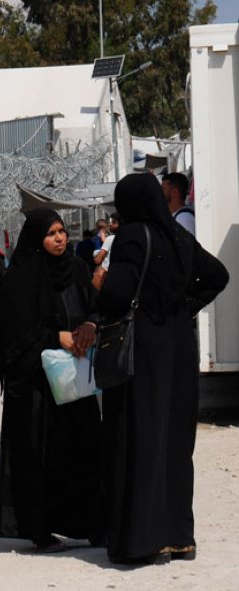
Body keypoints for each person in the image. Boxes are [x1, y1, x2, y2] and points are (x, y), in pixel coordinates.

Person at [98, 174, 228, 564]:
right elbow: (218, 275)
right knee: (174, 440)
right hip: (179, 347)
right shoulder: (177, 234)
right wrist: (182, 308)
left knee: (141, 436)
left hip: (145, 350)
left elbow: (118, 295)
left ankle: (145, 539)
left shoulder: (132, 236)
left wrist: (99, 283)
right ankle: (179, 537)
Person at [0, 208, 105, 552]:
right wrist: (57, 337)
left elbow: (94, 308)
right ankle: (39, 528)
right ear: (36, 239)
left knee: (83, 449)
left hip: (75, 382)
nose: (59, 238)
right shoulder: (20, 278)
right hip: (37, 388)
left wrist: (90, 327)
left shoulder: (77, 270)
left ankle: (92, 525)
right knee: (40, 453)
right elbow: (15, 335)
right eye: (50, 233)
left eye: (61, 232)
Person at [92, 213, 120, 289]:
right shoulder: (127, 238)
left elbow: (97, 260)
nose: (110, 224)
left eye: (113, 222)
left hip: (106, 276)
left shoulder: (109, 239)